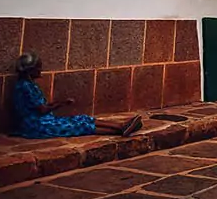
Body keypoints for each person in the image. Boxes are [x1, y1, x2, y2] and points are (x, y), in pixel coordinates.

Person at [13, 52, 143, 139]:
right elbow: (42, 109)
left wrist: (59, 102)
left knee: (83, 118)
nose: (40, 70)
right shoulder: (24, 87)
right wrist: (60, 104)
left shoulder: (29, 85)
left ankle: (120, 126)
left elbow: (41, 105)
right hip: (36, 126)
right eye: (38, 68)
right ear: (30, 70)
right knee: (79, 126)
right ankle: (120, 130)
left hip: (43, 120)